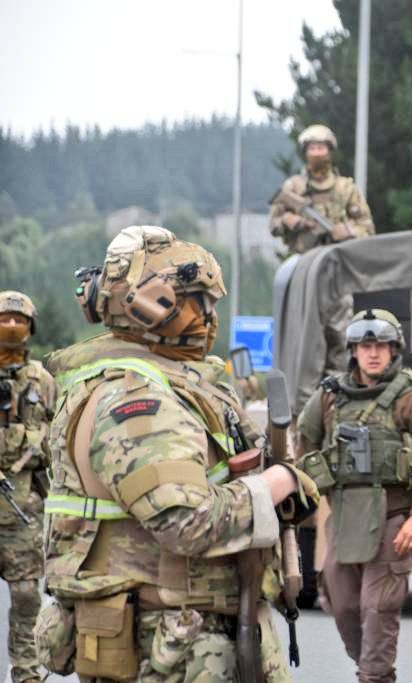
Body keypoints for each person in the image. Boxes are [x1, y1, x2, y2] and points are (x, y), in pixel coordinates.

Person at [40, 225, 318, 682]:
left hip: (186, 642)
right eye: (197, 301)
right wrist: (275, 485)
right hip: (172, 649)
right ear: (151, 306)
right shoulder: (138, 400)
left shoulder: (166, 385)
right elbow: (186, 522)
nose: (208, 317)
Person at [295, 309, 412, 683]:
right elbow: (304, 442)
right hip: (345, 518)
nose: (374, 353)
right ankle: (370, 666)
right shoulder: (330, 396)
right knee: (342, 603)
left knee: (378, 607)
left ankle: (374, 675)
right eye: (365, 347)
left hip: (393, 519)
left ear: (394, 348)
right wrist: (315, 480)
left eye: (381, 345)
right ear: (354, 351)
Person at [269, 123, 376, 371]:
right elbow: (274, 224)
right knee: (303, 332)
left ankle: (340, 380)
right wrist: (292, 221)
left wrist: (346, 230)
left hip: (337, 271)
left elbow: (367, 227)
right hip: (303, 268)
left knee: (340, 332)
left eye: (322, 147)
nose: (317, 153)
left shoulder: (346, 189)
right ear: (305, 152)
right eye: (313, 148)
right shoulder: (294, 188)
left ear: (330, 150)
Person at [0, 291, 54, 683]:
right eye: (4, 318)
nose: (12, 325)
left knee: (25, 596)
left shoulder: (42, 381)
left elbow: (58, 439)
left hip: (22, 509)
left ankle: (26, 673)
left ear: (31, 328)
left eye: (19, 320)